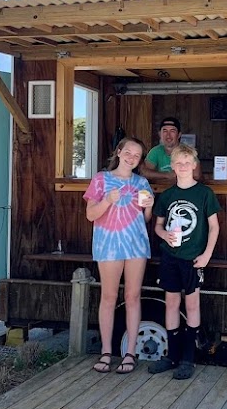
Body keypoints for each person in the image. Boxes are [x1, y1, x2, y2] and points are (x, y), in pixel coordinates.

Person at [148, 143, 220, 380]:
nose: (183, 166)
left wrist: (207, 254)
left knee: (191, 306)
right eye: (178, 163)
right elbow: (157, 225)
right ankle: (171, 356)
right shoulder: (167, 196)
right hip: (170, 257)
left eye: (187, 163)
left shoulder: (204, 193)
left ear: (194, 165)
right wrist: (163, 235)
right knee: (170, 304)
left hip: (193, 259)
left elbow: (214, 227)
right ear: (173, 166)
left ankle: (188, 358)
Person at [83, 137, 154, 375]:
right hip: (108, 245)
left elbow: (144, 219)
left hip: (136, 245)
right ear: (119, 151)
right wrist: (107, 200)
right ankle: (106, 351)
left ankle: (130, 353)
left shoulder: (142, 181)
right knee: (109, 297)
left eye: (137, 155)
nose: (132, 157)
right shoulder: (101, 179)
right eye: (129, 152)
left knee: (133, 297)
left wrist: (150, 206)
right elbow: (91, 215)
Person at [142, 117, 202, 181]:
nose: (168, 135)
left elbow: (196, 175)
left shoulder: (186, 151)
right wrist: (167, 175)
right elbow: (145, 173)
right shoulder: (155, 151)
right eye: (165, 131)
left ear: (179, 135)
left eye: (172, 131)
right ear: (160, 134)